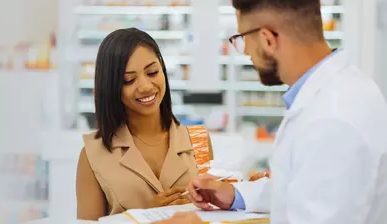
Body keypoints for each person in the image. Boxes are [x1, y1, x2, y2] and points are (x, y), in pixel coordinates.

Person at [157, 0, 387, 223]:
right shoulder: (339, 92)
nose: (245, 51)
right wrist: (236, 194)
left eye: (242, 39)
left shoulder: (333, 119)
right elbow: (304, 189)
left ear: (267, 39)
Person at [75, 28, 214, 221]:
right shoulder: (93, 154)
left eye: (152, 72)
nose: (146, 86)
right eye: (129, 80)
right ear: (111, 87)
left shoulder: (199, 139)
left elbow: (214, 212)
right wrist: (146, 216)